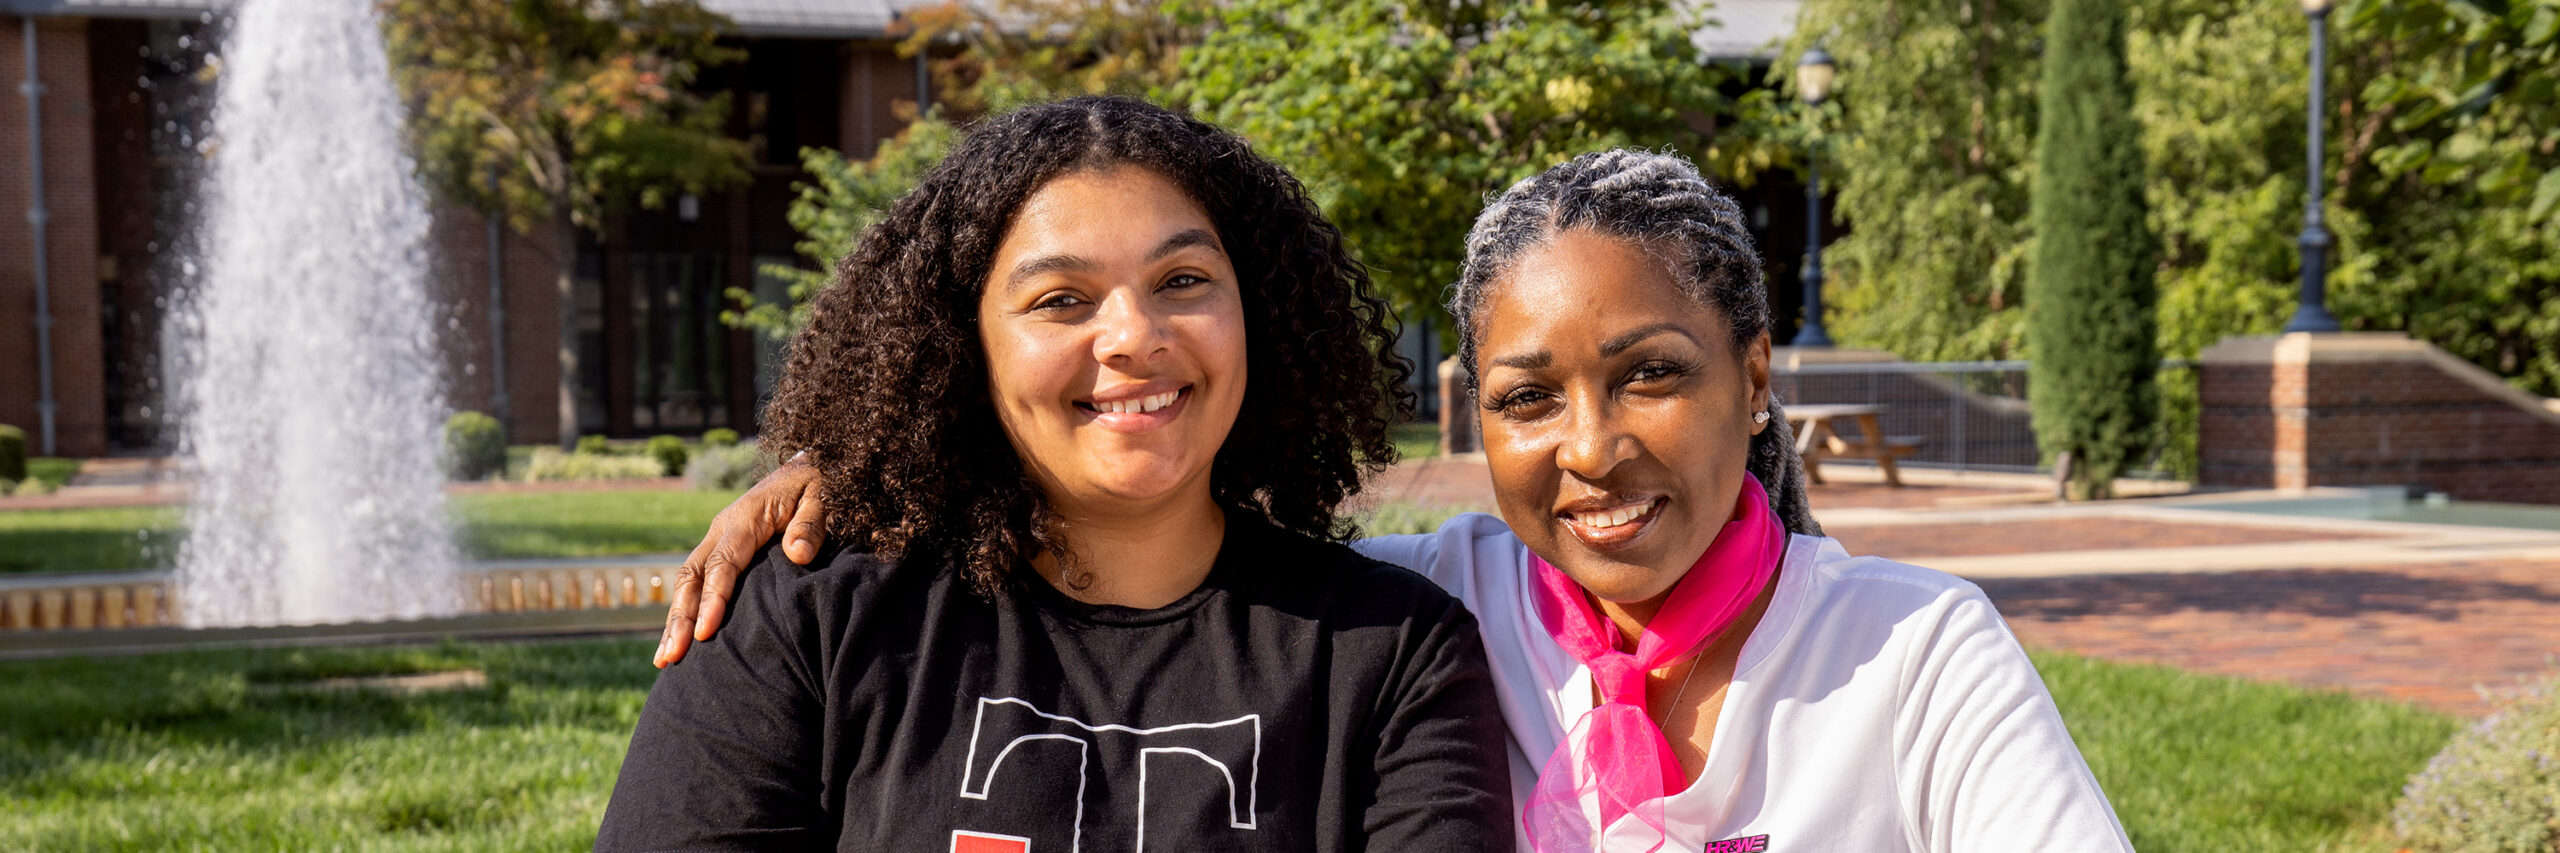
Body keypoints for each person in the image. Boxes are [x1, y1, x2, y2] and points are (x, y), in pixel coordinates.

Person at [652, 149, 2133, 852]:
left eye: (1655, 376)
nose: (1594, 447)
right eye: (1528, 397)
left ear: (1756, 379)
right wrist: (861, 464)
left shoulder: (1918, 651)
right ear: (1472, 419)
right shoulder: (1436, 602)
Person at [595, 96, 1514, 852]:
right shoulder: (812, 614)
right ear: (963, 346)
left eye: (1184, 281)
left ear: (1259, 314)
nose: (1133, 337)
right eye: (1060, 300)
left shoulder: (1397, 653)